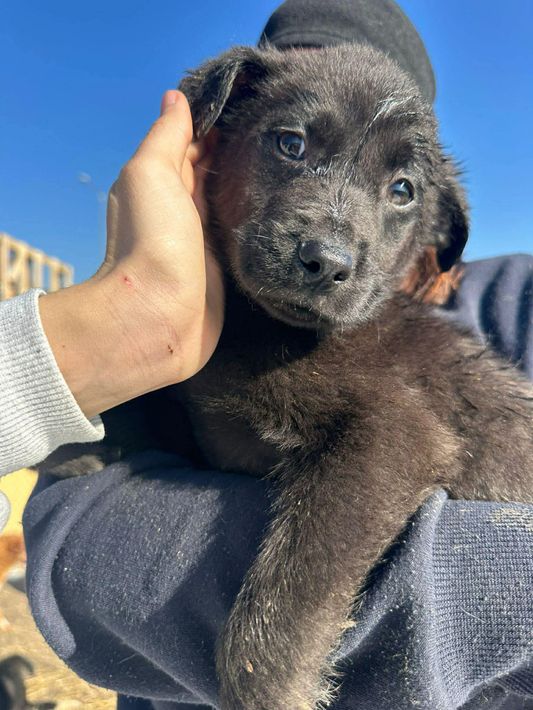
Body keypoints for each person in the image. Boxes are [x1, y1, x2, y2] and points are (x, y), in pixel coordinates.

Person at [0, 1, 531, 708]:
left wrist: (265, 672)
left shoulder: (390, 347)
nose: (333, 243)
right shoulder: (177, 341)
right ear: (208, 144)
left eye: (398, 189)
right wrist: (110, 333)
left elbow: (392, 444)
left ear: (431, 233)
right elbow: (77, 551)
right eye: (290, 143)